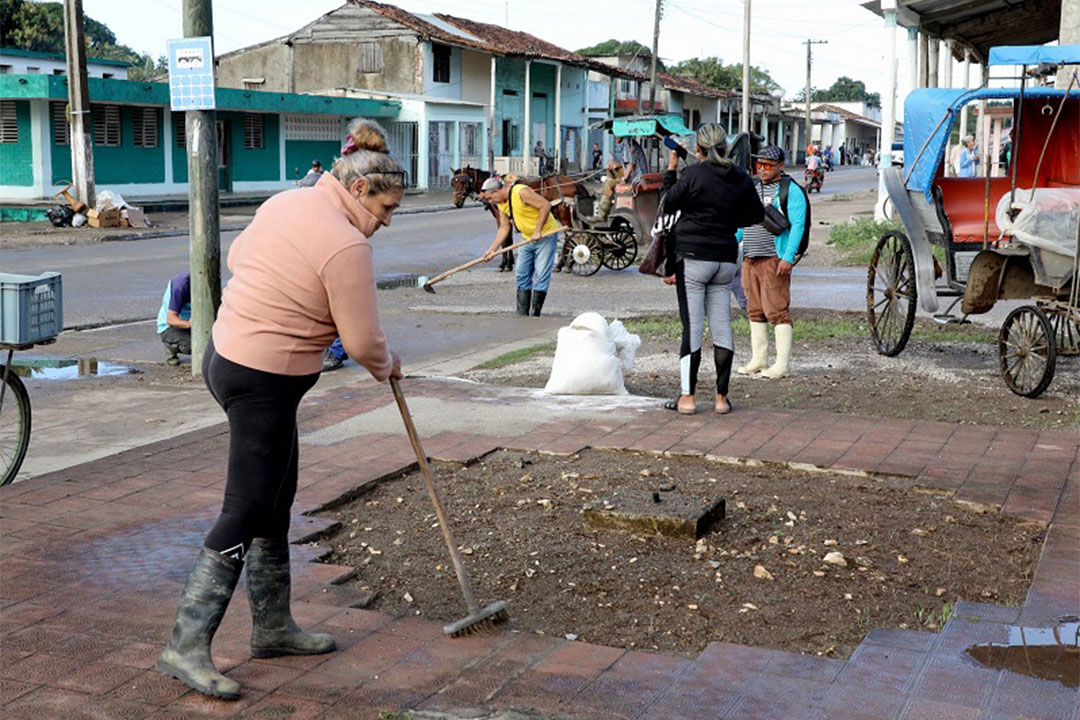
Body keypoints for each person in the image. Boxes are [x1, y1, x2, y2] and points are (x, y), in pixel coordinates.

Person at [156, 118, 404, 701]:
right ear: (360, 190)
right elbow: (364, 342)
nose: (387, 221)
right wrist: (388, 363)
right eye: (387, 208)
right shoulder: (346, 242)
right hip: (262, 379)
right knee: (245, 508)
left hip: (228, 355)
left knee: (276, 497)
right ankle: (185, 645)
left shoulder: (288, 201)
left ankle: (272, 626)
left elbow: (242, 257)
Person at [658, 124, 764, 415]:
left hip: (693, 258)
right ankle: (721, 399)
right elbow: (756, 215)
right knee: (721, 327)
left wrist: (672, 167)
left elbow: (666, 204)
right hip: (725, 259)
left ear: (700, 149)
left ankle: (688, 399)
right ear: (726, 147)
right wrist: (727, 219)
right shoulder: (741, 177)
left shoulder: (692, 175)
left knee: (692, 328)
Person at [736, 146, 808, 381]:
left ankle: (782, 364)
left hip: (774, 259)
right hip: (750, 258)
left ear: (780, 166)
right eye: (759, 165)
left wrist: (788, 257)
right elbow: (741, 223)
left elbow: (797, 225)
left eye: (767, 165)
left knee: (777, 310)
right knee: (754, 310)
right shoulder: (752, 188)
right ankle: (759, 359)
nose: (762, 169)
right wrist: (731, 243)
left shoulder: (790, 191)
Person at [479, 176, 560, 317]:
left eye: (490, 198)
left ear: (497, 191)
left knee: (541, 274)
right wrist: (491, 250)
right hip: (527, 239)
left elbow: (545, 205)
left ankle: (535, 314)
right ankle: (522, 313)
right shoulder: (501, 204)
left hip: (545, 236)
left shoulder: (520, 192)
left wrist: (538, 230)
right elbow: (504, 228)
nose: (490, 202)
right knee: (521, 274)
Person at [157, 272, 191, 366]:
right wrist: (189, 324)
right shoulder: (180, 287)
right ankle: (171, 346)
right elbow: (171, 319)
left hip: (190, 320)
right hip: (170, 326)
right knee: (196, 346)